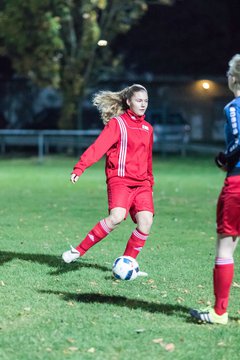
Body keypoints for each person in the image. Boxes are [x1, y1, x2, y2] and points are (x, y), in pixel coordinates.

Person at [62, 84, 154, 276]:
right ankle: (78, 250)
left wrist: (150, 183)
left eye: (145, 101)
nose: (143, 104)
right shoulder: (117, 123)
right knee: (117, 217)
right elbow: (99, 147)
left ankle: (128, 264)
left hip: (142, 183)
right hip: (120, 180)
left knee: (146, 222)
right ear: (128, 102)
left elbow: (148, 159)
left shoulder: (148, 128)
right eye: (139, 100)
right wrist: (80, 167)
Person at [190, 54, 240, 325]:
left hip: (238, 183)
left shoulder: (234, 107)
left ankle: (219, 312)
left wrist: (224, 158)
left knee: (225, 250)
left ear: (233, 78)